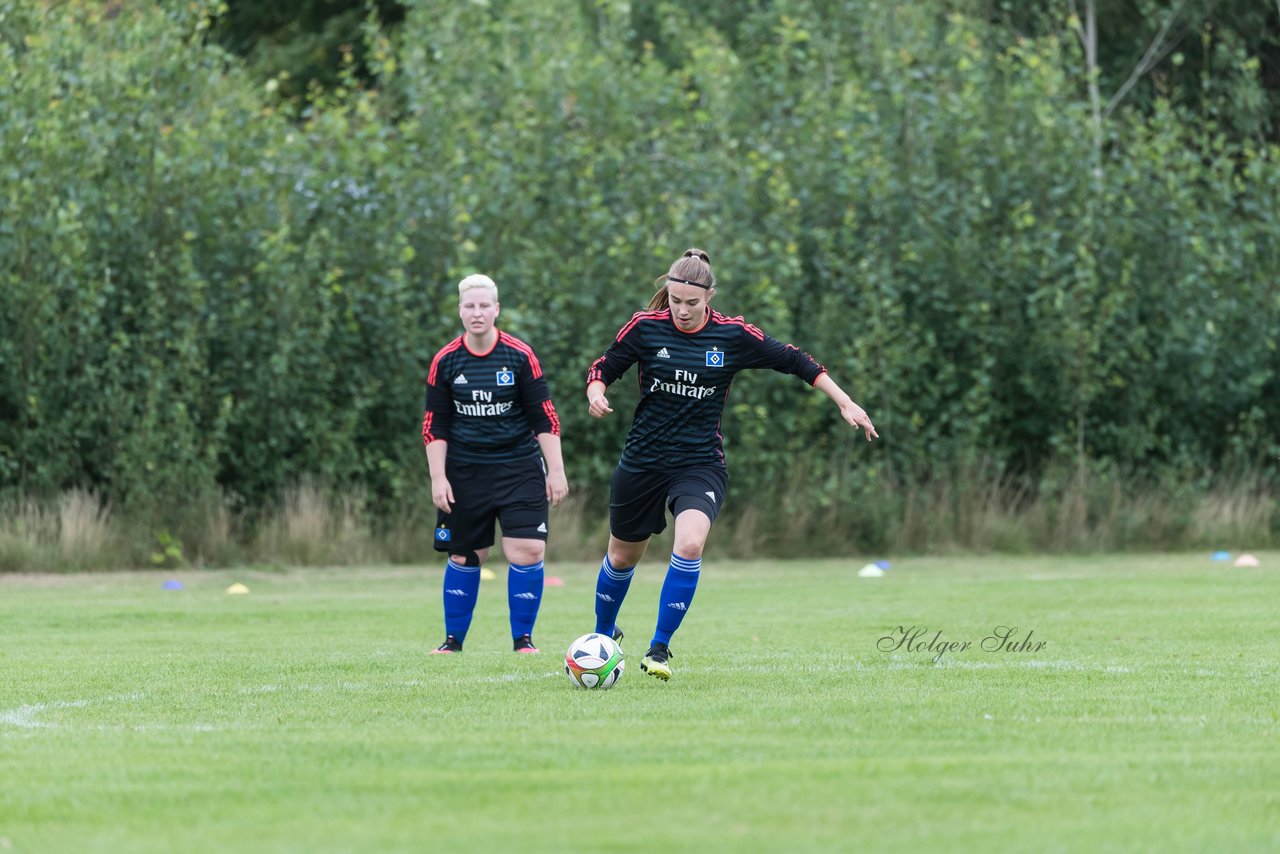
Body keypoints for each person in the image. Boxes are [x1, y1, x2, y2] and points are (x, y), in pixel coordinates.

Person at [585, 248, 877, 680]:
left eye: (692, 303)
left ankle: (659, 650)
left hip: (699, 463)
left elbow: (796, 360)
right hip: (643, 461)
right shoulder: (646, 328)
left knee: (688, 545)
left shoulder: (732, 335)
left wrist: (845, 401)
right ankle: (602, 636)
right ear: (667, 293)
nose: (682, 311)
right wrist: (596, 392)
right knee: (622, 557)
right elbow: (603, 367)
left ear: (709, 297)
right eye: (675, 300)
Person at [422, 273, 568, 654]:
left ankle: (523, 641)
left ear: (496, 309)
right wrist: (438, 478)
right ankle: (453, 642)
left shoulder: (520, 356)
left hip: (519, 468)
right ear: (460, 311)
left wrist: (556, 471)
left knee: (527, 550)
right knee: (466, 555)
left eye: (484, 305)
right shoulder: (446, 360)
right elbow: (434, 424)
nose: (477, 312)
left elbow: (545, 418)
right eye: (469, 306)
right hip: (465, 472)